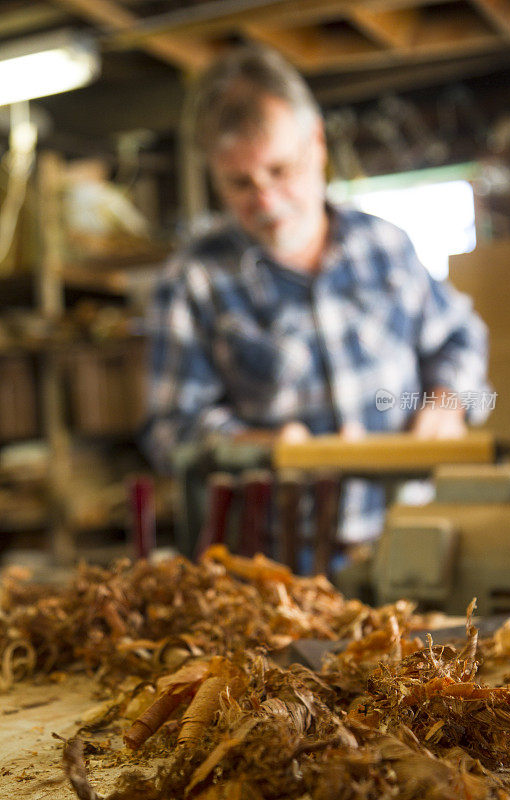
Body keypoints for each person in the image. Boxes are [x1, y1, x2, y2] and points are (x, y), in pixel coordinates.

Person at [143, 45, 490, 544]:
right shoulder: (193, 281)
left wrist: (447, 401)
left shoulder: (385, 246)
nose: (266, 200)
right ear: (214, 176)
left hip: (407, 536)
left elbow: (459, 337)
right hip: (273, 560)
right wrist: (264, 447)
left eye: (280, 171)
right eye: (240, 183)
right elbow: (169, 429)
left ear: (317, 144)